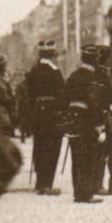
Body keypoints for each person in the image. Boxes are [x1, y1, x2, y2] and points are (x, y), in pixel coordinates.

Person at [63, 45, 112, 203]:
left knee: (77, 156)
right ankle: (86, 193)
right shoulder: (93, 78)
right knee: (89, 156)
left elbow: (64, 99)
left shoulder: (73, 76)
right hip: (88, 120)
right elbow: (95, 102)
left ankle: (78, 192)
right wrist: (99, 123)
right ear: (95, 59)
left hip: (74, 120)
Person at [22, 40, 66, 195]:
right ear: (52, 55)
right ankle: (47, 184)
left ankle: (40, 182)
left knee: (39, 147)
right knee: (52, 148)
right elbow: (62, 95)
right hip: (52, 114)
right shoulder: (55, 72)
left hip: (37, 114)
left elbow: (28, 94)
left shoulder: (33, 71)